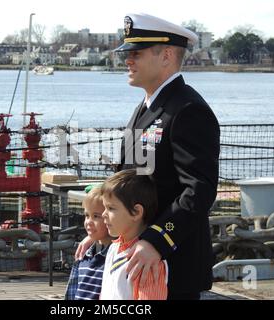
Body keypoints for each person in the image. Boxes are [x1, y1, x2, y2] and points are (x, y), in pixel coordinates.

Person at [77, 13, 220, 300]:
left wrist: (157, 239)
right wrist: (103, 224)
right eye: (127, 53)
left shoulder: (188, 109)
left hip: (170, 263)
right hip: (136, 256)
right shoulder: (148, 107)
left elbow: (199, 190)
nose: (127, 60)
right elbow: (126, 182)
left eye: (136, 53)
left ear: (166, 55)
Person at [99, 169, 168, 300]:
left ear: (136, 212)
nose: (103, 214)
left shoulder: (149, 262)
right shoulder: (113, 247)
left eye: (111, 208)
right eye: (104, 207)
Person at [65, 186, 113, 300]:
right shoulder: (84, 257)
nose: (88, 222)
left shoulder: (115, 259)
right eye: (87, 215)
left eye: (96, 216)